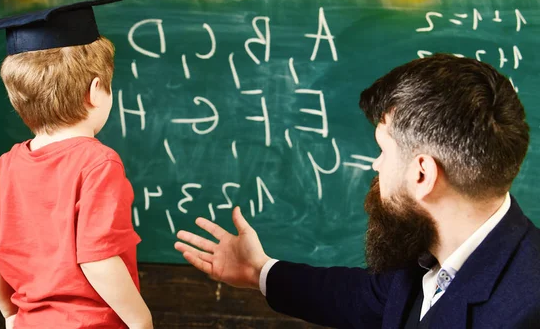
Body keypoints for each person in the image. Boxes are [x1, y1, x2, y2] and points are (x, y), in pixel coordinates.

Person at [174, 54, 540, 328]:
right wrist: (258, 271)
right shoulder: (430, 262)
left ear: (422, 174)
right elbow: (357, 296)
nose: (376, 165)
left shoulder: (525, 310)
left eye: (383, 149)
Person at [0, 0, 153, 329]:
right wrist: (141, 320)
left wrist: (10, 315)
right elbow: (98, 260)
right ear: (96, 91)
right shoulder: (98, 163)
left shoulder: (7, 165)